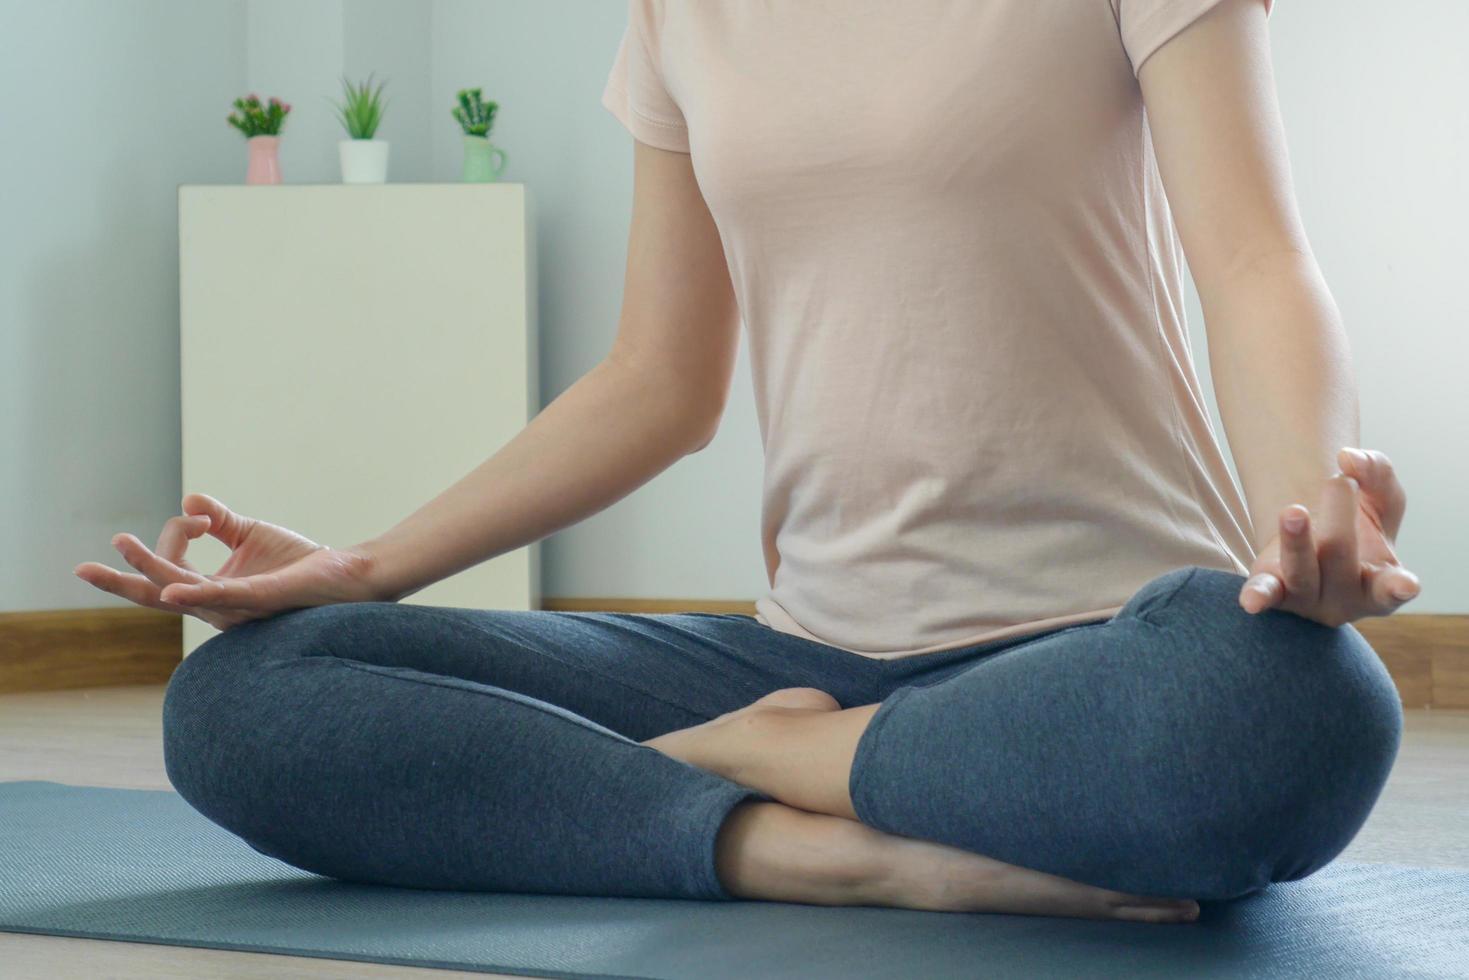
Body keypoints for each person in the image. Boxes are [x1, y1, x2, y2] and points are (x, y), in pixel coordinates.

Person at [76, 0, 1420, 925]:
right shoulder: (681, 11)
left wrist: (1303, 519)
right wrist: (358, 569)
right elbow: (657, 382)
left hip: (1104, 650)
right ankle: (813, 843)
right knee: (249, 698)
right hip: (801, 650)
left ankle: (784, 761)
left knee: (1287, 716)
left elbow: (1252, 262)